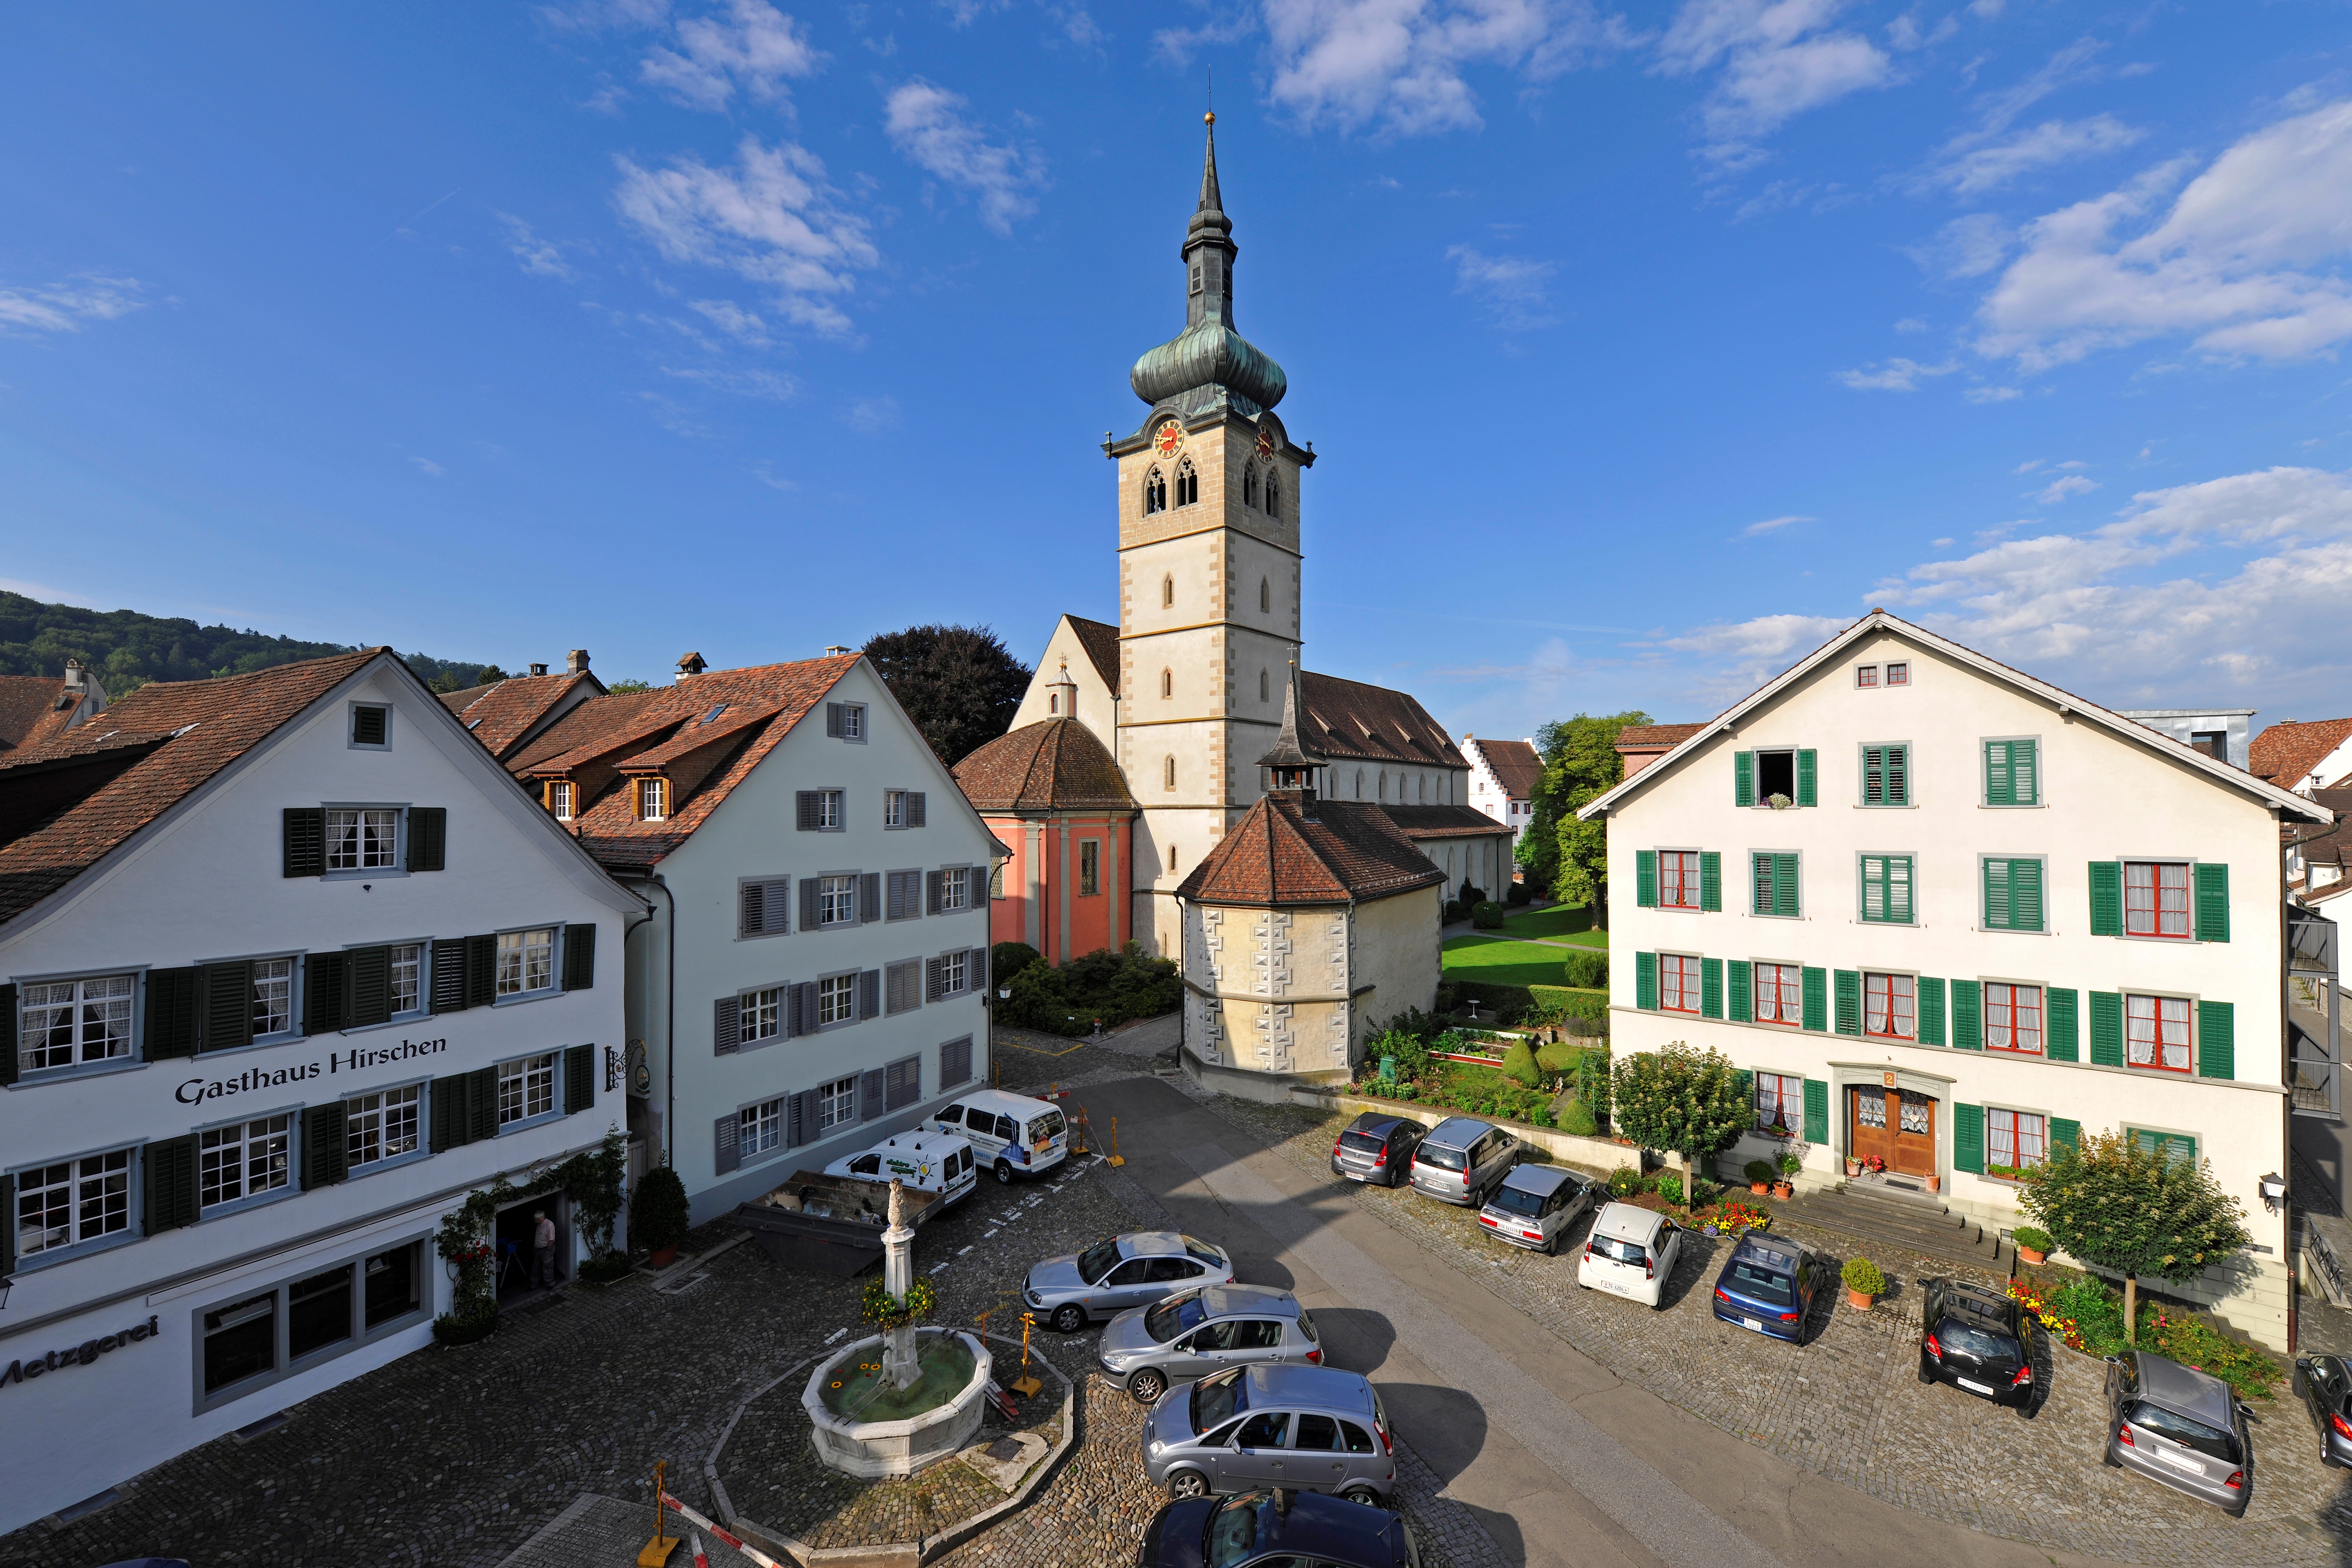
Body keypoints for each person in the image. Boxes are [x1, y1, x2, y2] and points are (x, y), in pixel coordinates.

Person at [532, 1209, 558, 1289]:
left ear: (539, 1219)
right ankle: (534, 1284)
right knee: (535, 1267)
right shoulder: (539, 1225)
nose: (535, 1221)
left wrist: (548, 1250)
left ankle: (550, 1284)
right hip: (538, 1249)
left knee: (547, 1267)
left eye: (535, 1219)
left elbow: (551, 1239)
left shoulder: (549, 1225)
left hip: (546, 1249)